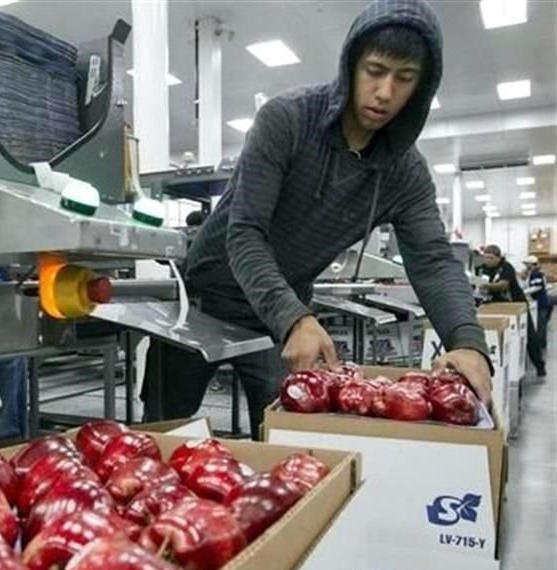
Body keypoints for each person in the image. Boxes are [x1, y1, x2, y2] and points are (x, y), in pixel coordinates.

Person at [143, 0, 493, 439]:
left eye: (404, 78)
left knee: (287, 438)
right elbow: (246, 233)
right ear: (351, 65)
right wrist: (295, 317)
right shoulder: (287, 120)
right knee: (161, 434)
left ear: (421, 87)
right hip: (200, 304)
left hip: (274, 322)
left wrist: (467, 341)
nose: (385, 92)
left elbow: (434, 261)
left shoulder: (404, 172)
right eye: (375, 70)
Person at [478, 246, 545, 377]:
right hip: (497, 307)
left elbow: (503, 285)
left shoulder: (506, 267)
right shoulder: (483, 269)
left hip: (516, 305)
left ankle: (539, 366)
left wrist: (486, 286)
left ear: (499, 258)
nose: (488, 261)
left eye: (491, 258)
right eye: (485, 257)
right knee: (505, 339)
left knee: (530, 336)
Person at [523, 256, 551, 350]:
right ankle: (542, 343)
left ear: (531, 264)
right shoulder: (535, 273)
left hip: (540, 302)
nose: (526, 266)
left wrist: (524, 292)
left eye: (527, 264)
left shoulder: (536, 274)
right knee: (541, 324)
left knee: (540, 324)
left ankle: (539, 345)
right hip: (541, 302)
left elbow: (537, 287)